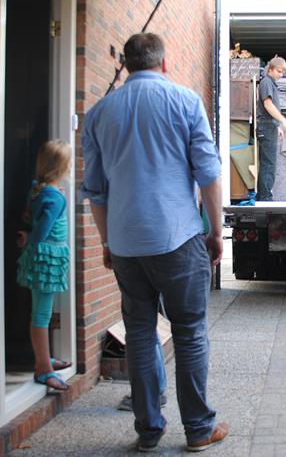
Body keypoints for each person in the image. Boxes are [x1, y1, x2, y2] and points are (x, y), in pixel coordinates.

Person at [81, 33, 228, 452]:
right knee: (190, 332)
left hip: (126, 243)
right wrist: (216, 232)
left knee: (140, 332)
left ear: (127, 66)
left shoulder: (99, 114)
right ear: (164, 63)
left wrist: (108, 242)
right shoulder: (185, 102)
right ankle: (199, 429)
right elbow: (209, 174)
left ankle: (148, 431)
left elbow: (96, 191)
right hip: (178, 237)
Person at [16, 139, 73, 391]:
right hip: (47, 258)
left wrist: (29, 239)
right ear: (61, 168)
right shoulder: (55, 197)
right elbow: (42, 230)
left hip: (42, 256)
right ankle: (43, 369)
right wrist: (33, 242)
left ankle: (44, 357)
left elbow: (35, 225)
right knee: (41, 314)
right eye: (69, 163)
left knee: (41, 312)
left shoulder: (40, 191)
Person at [255, 56, 286, 201]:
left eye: (283, 72)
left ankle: (263, 196)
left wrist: (277, 126)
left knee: (269, 163)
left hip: (269, 126)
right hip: (266, 127)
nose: (281, 75)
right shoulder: (266, 82)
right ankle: (265, 198)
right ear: (270, 69)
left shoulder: (270, 83)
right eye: (278, 71)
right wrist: (283, 121)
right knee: (268, 164)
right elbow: (268, 105)